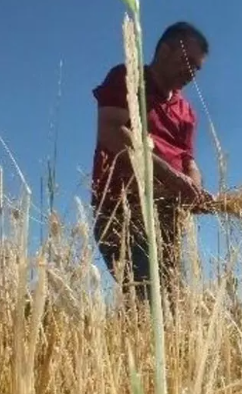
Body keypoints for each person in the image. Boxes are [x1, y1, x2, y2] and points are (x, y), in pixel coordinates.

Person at [90, 21, 214, 302]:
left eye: (197, 68)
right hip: (123, 211)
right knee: (148, 300)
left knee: (173, 303)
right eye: (187, 61)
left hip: (167, 216)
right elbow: (110, 130)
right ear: (164, 50)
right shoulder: (127, 78)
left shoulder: (186, 111)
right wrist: (171, 178)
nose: (191, 73)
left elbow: (188, 160)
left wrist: (192, 188)